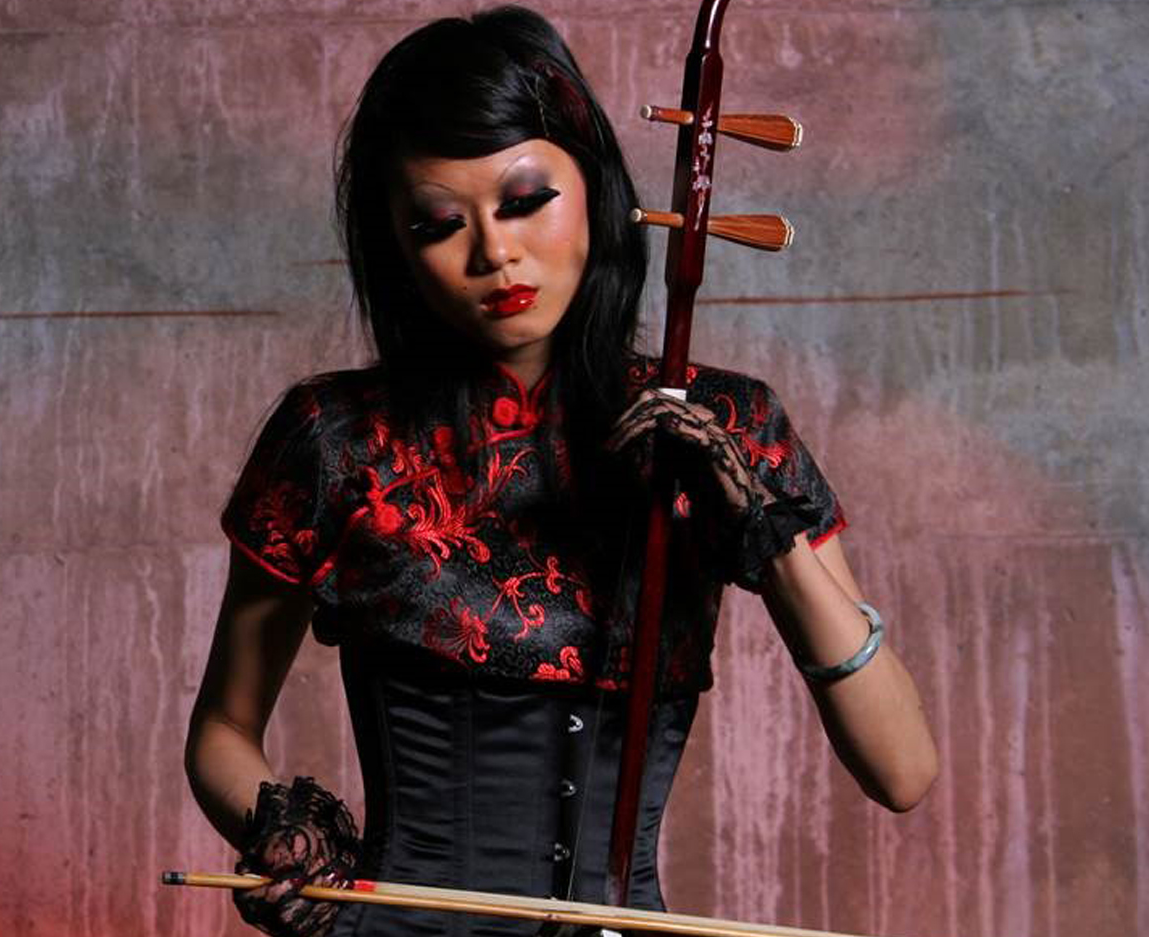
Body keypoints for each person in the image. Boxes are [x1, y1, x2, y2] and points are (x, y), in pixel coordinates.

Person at [183, 7, 939, 937]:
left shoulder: (731, 423)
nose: (493, 252)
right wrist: (282, 837)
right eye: (439, 223)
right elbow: (223, 730)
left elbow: (902, 770)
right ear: (396, 247)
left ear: (595, 188)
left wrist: (763, 531)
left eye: (525, 200)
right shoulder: (335, 438)